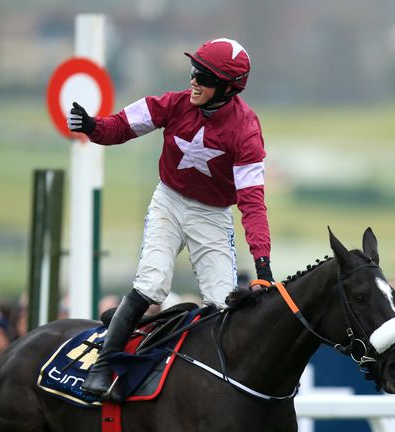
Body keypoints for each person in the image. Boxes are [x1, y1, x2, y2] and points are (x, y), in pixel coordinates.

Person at [68, 37, 275, 401]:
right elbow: (123, 126)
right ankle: (104, 365)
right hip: (169, 201)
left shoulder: (247, 131)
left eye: (203, 76)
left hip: (212, 215)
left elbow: (252, 202)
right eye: (193, 72)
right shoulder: (173, 103)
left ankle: (220, 380)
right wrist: (92, 127)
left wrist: (262, 265)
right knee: (152, 283)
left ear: (228, 88)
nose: (193, 80)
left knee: (223, 301)